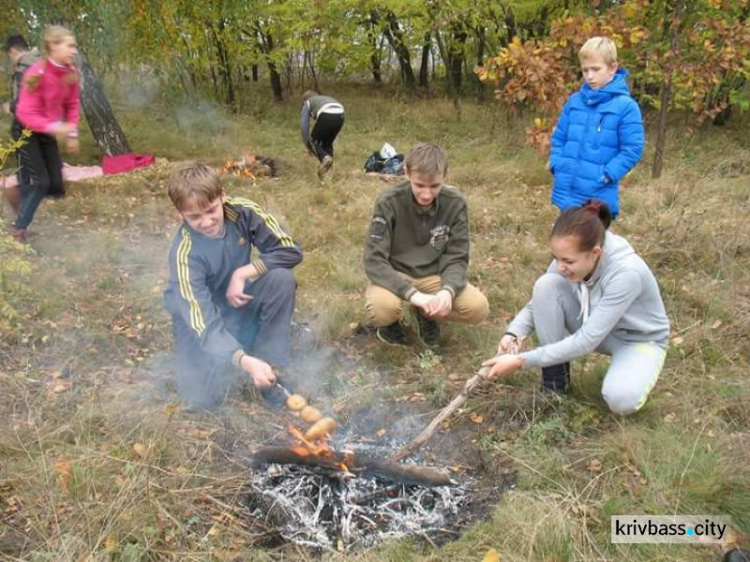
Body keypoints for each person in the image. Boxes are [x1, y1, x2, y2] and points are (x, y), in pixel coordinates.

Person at [482, 201, 669, 415]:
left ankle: (634, 371)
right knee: (546, 284)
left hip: (637, 340)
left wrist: (520, 361)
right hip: (596, 324)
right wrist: (514, 332)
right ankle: (555, 387)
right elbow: (540, 301)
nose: (560, 266)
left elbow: (587, 341)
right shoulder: (569, 256)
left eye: (568, 262)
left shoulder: (626, 273)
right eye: (556, 258)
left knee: (621, 399)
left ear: (596, 252)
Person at [163, 162, 303, 410]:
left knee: (281, 280)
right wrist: (243, 361)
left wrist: (244, 272)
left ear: (223, 196)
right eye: (194, 217)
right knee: (202, 402)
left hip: (237, 301)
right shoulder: (184, 254)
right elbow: (203, 324)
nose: (206, 222)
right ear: (179, 214)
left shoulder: (242, 212)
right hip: (198, 321)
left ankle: (269, 367)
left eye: (210, 210)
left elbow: (290, 251)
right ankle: (245, 358)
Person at [363, 143, 489, 347]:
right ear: (406, 173)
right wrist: (412, 294)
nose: (426, 195)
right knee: (382, 309)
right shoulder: (389, 201)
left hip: (434, 275)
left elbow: (457, 257)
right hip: (396, 272)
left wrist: (447, 291)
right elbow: (374, 260)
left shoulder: (455, 203)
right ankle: (390, 326)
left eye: (434, 186)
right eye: (419, 185)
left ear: (445, 176)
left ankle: (426, 315)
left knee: (477, 308)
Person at [549, 36, 644, 219]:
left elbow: (633, 149)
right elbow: (559, 137)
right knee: (566, 245)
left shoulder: (626, 107)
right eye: (585, 70)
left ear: (612, 68)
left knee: (593, 246)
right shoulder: (574, 101)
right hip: (566, 190)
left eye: (595, 69)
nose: (589, 76)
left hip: (597, 197)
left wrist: (607, 175)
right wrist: (557, 165)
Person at [12, 26, 80, 242]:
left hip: (48, 130)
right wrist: (56, 128)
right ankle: (18, 229)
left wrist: (72, 135)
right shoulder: (36, 73)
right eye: (69, 46)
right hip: (26, 130)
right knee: (39, 182)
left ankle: (16, 191)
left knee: (55, 185)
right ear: (53, 46)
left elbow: (72, 104)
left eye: (74, 46)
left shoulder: (71, 74)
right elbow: (25, 111)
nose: (74, 51)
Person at [2, 34, 39, 215]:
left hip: (25, 125)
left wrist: (10, 106)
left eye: (9, 55)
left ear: (14, 51)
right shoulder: (39, 63)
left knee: (24, 170)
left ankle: (20, 220)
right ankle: (22, 219)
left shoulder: (24, 68)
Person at [300, 90, 344, 180]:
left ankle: (325, 158)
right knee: (327, 143)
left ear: (304, 101)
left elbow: (304, 126)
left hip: (327, 113)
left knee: (313, 140)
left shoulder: (307, 103)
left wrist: (308, 145)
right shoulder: (323, 99)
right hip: (341, 114)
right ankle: (329, 172)